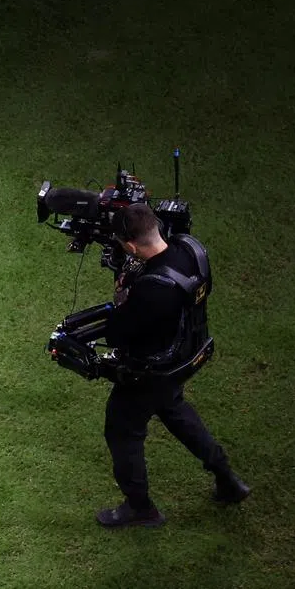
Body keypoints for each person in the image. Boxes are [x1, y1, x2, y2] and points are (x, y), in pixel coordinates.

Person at [96, 203, 249, 528]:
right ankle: (228, 479)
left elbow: (117, 334)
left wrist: (122, 293)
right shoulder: (190, 251)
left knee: (122, 432)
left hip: (149, 373)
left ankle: (140, 509)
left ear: (132, 247)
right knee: (177, 414)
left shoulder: (152, 289)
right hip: (180, 359)